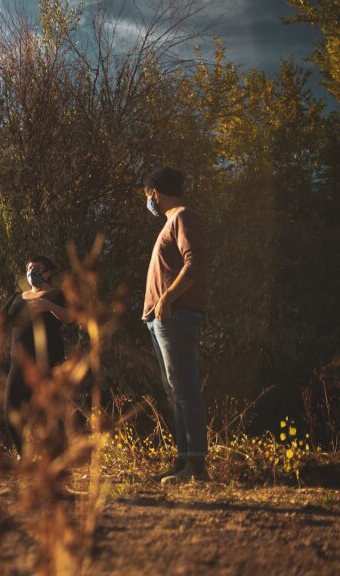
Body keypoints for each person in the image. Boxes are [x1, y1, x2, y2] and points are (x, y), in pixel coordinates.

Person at [142, 167, 210, 484]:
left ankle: (196, 468)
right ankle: (184, 462)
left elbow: (195, 263)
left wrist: (166, 298)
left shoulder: (183, 216)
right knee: (176, 392)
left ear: (155, 191)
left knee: (186, 390)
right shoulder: (171, 221)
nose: (148, 201)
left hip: (176, 315)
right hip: (163, 319)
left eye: (148, 194)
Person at [0, 256, 74, 454]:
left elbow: (71, 317)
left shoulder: (57, 294)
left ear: (48, 272)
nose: (31, 272)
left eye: (36, 268)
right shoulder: (18, 296)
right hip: (19, 361)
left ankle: (56, 458)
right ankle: (23, 454)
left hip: (49, 360)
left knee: (51, 410)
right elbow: (2, 322)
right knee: (11, 406)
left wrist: (48, 306)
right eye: (28, 268)